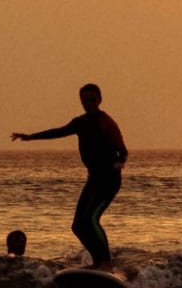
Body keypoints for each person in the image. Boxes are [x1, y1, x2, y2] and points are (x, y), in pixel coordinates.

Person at [11, 83, 127, 271]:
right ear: (81, 101)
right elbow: (59, 131)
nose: (88, 103)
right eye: (85, 100)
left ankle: (106, 262)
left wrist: (120, 161)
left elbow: (122, 149)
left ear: (99, 100)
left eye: (92, 100)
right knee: (78, 226)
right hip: (94, 179)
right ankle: (98, 260)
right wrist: (32, 137)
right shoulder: (80, 122)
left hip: (109, 180)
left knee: (91, 220)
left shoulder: (105, 122)